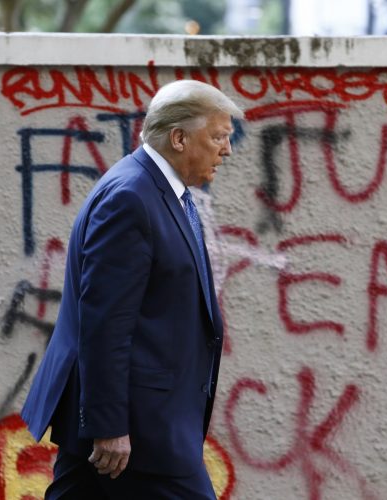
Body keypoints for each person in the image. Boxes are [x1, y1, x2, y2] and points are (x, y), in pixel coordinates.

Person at [20, 79, 243, 499]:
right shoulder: (131, 198)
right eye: (218, 137)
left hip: (144, 421)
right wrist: (108, 426)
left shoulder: (160, 190)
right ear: (179, 138)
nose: (226, 150)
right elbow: (105, 322)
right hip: (137, 429)